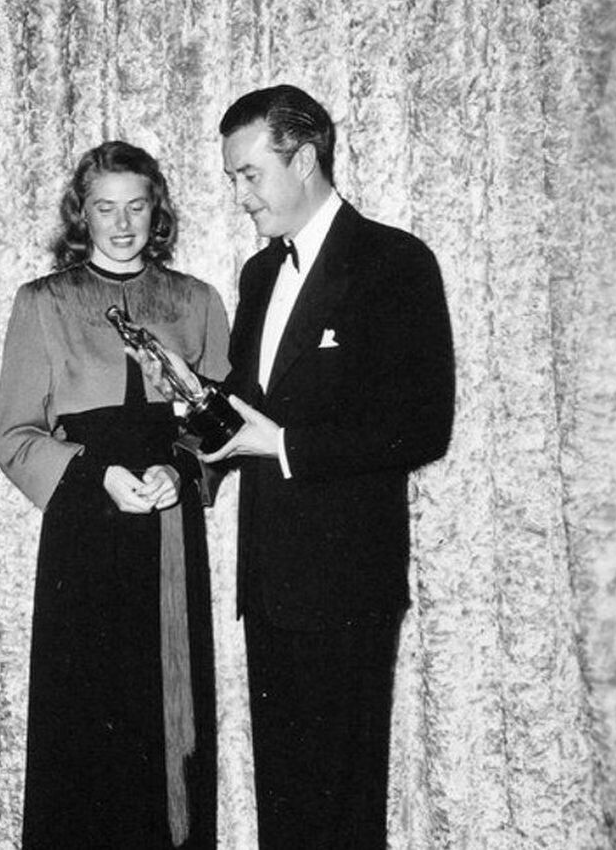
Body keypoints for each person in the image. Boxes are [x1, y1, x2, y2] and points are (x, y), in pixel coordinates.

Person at [137, 85, 455, 848]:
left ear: (305, 158)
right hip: (270, 583)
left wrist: (281, 445)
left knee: (342, 814)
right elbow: (247, 411)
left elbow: (421, 426)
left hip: (347, 584)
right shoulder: (258, 274)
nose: (240, 196)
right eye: (233, 178)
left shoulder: (395, 263)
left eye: (250, 174)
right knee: (287, 810)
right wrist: (189, 392)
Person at [0, 141, 231, 849]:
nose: (122, 225)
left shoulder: (196, 301)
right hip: (83, 530)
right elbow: (13, 435)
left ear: (156, 210)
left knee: (167, 719)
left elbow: (223, 430)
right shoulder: (42, 303)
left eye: (136, 207)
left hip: (167, 533)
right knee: (84, 722)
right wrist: (95, 473)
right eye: (105, 208)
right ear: (82, 214)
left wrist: (182, 472)